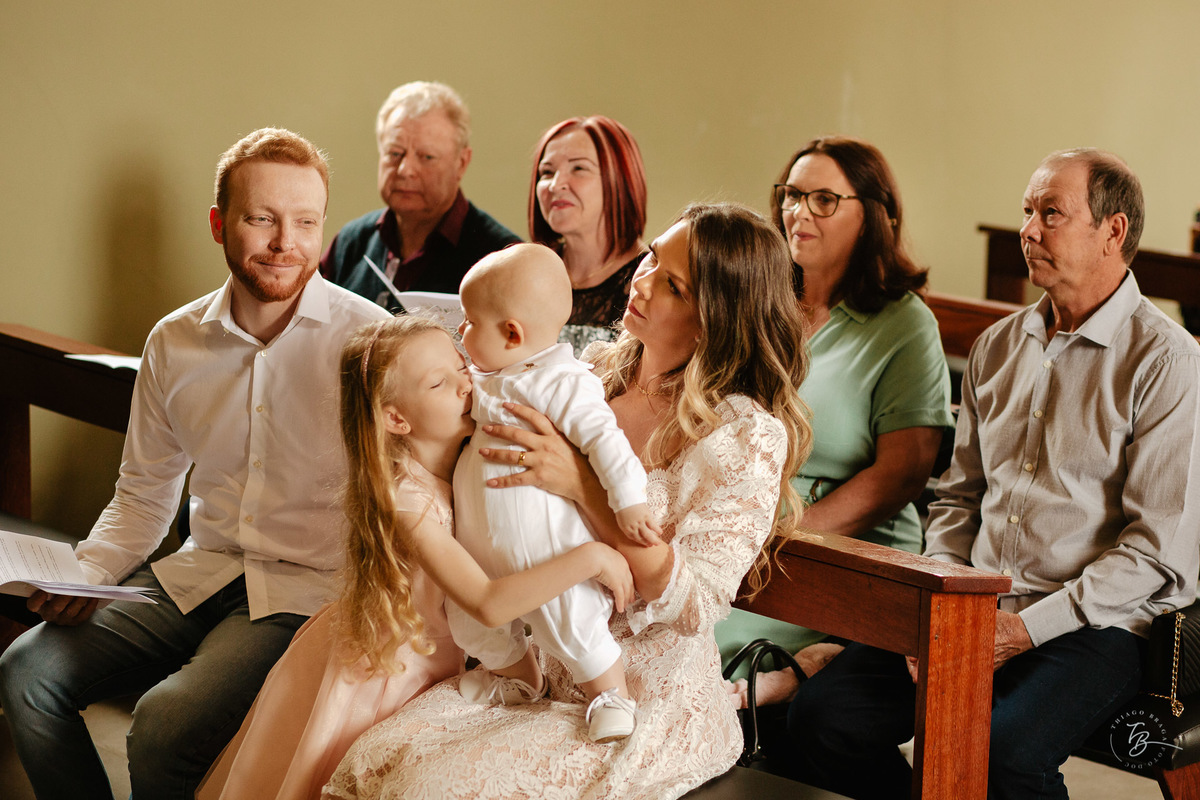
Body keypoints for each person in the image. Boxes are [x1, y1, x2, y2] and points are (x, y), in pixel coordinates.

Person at [325, 202, 813, 800]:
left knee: (429, 787)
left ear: (711, 318)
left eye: (672, 284)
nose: (643, 279)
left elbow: (697, 605)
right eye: (653, 256)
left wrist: (582, 485)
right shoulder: (591, 373)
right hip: (529, 662)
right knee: (373, 760)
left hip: (642, 694)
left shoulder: (744, 435)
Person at [787, 149, 1200, 800]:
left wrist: (1021, 631)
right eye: (1027, 211)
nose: (1029, 230)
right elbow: (958, 498)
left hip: (1096, 624)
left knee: (1001, 755)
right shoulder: (998, 345)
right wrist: (940, 602)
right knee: (822, 719)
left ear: (1113, 232)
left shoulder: (1168, 360)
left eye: (1051, 213)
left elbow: (1155, 555)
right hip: (975, 604)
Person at [0, 128, 392, 799]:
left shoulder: (369, 344)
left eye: (304, 222)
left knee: (164, 723)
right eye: (261, 219)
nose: (284, 243)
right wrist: (88, 573)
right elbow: (144, 492)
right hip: (198, 570)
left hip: (304, 594)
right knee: (26, 670)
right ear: (219, 224)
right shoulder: (174, 342)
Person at [197, 315, 634, 799]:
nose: (466, 384)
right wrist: (591, 558)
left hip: (433, 657)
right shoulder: (407, 501)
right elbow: (486, 602)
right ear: (396, 419)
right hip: (381, 670)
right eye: (439, 382)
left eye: (461, 366)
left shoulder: (470, 461)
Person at [716, 136, 954, 689]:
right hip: (743, 533)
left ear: (873, 217)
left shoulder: (905, 323)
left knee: (709, 649)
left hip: (840, 554)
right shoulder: (763, 302)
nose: (799, 212)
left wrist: (778, 542)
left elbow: (900, 475)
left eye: (824, 199)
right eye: (792, 195)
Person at [449, 243, 659, 743]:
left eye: (469, 321)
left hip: (543, 546)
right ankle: (520, 676)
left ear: (512, 334)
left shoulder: (562, 382)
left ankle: (610, 694)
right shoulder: (488, 377)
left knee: (568, 617)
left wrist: (629, 501)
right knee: (468, 616)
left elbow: (603, 439)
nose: (462, 332)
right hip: (478, 545)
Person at [320, 81, 521, 311]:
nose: (405, 169)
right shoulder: (352, 241)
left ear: (461, 163)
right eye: (395, 153)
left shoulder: (502, 258)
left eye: (426, 157)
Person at [529, 115, 648, 354]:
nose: (556, 185)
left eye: (579, 168)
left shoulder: (648, 280)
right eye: (547, 172)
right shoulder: (529, 271)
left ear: (620, 181)